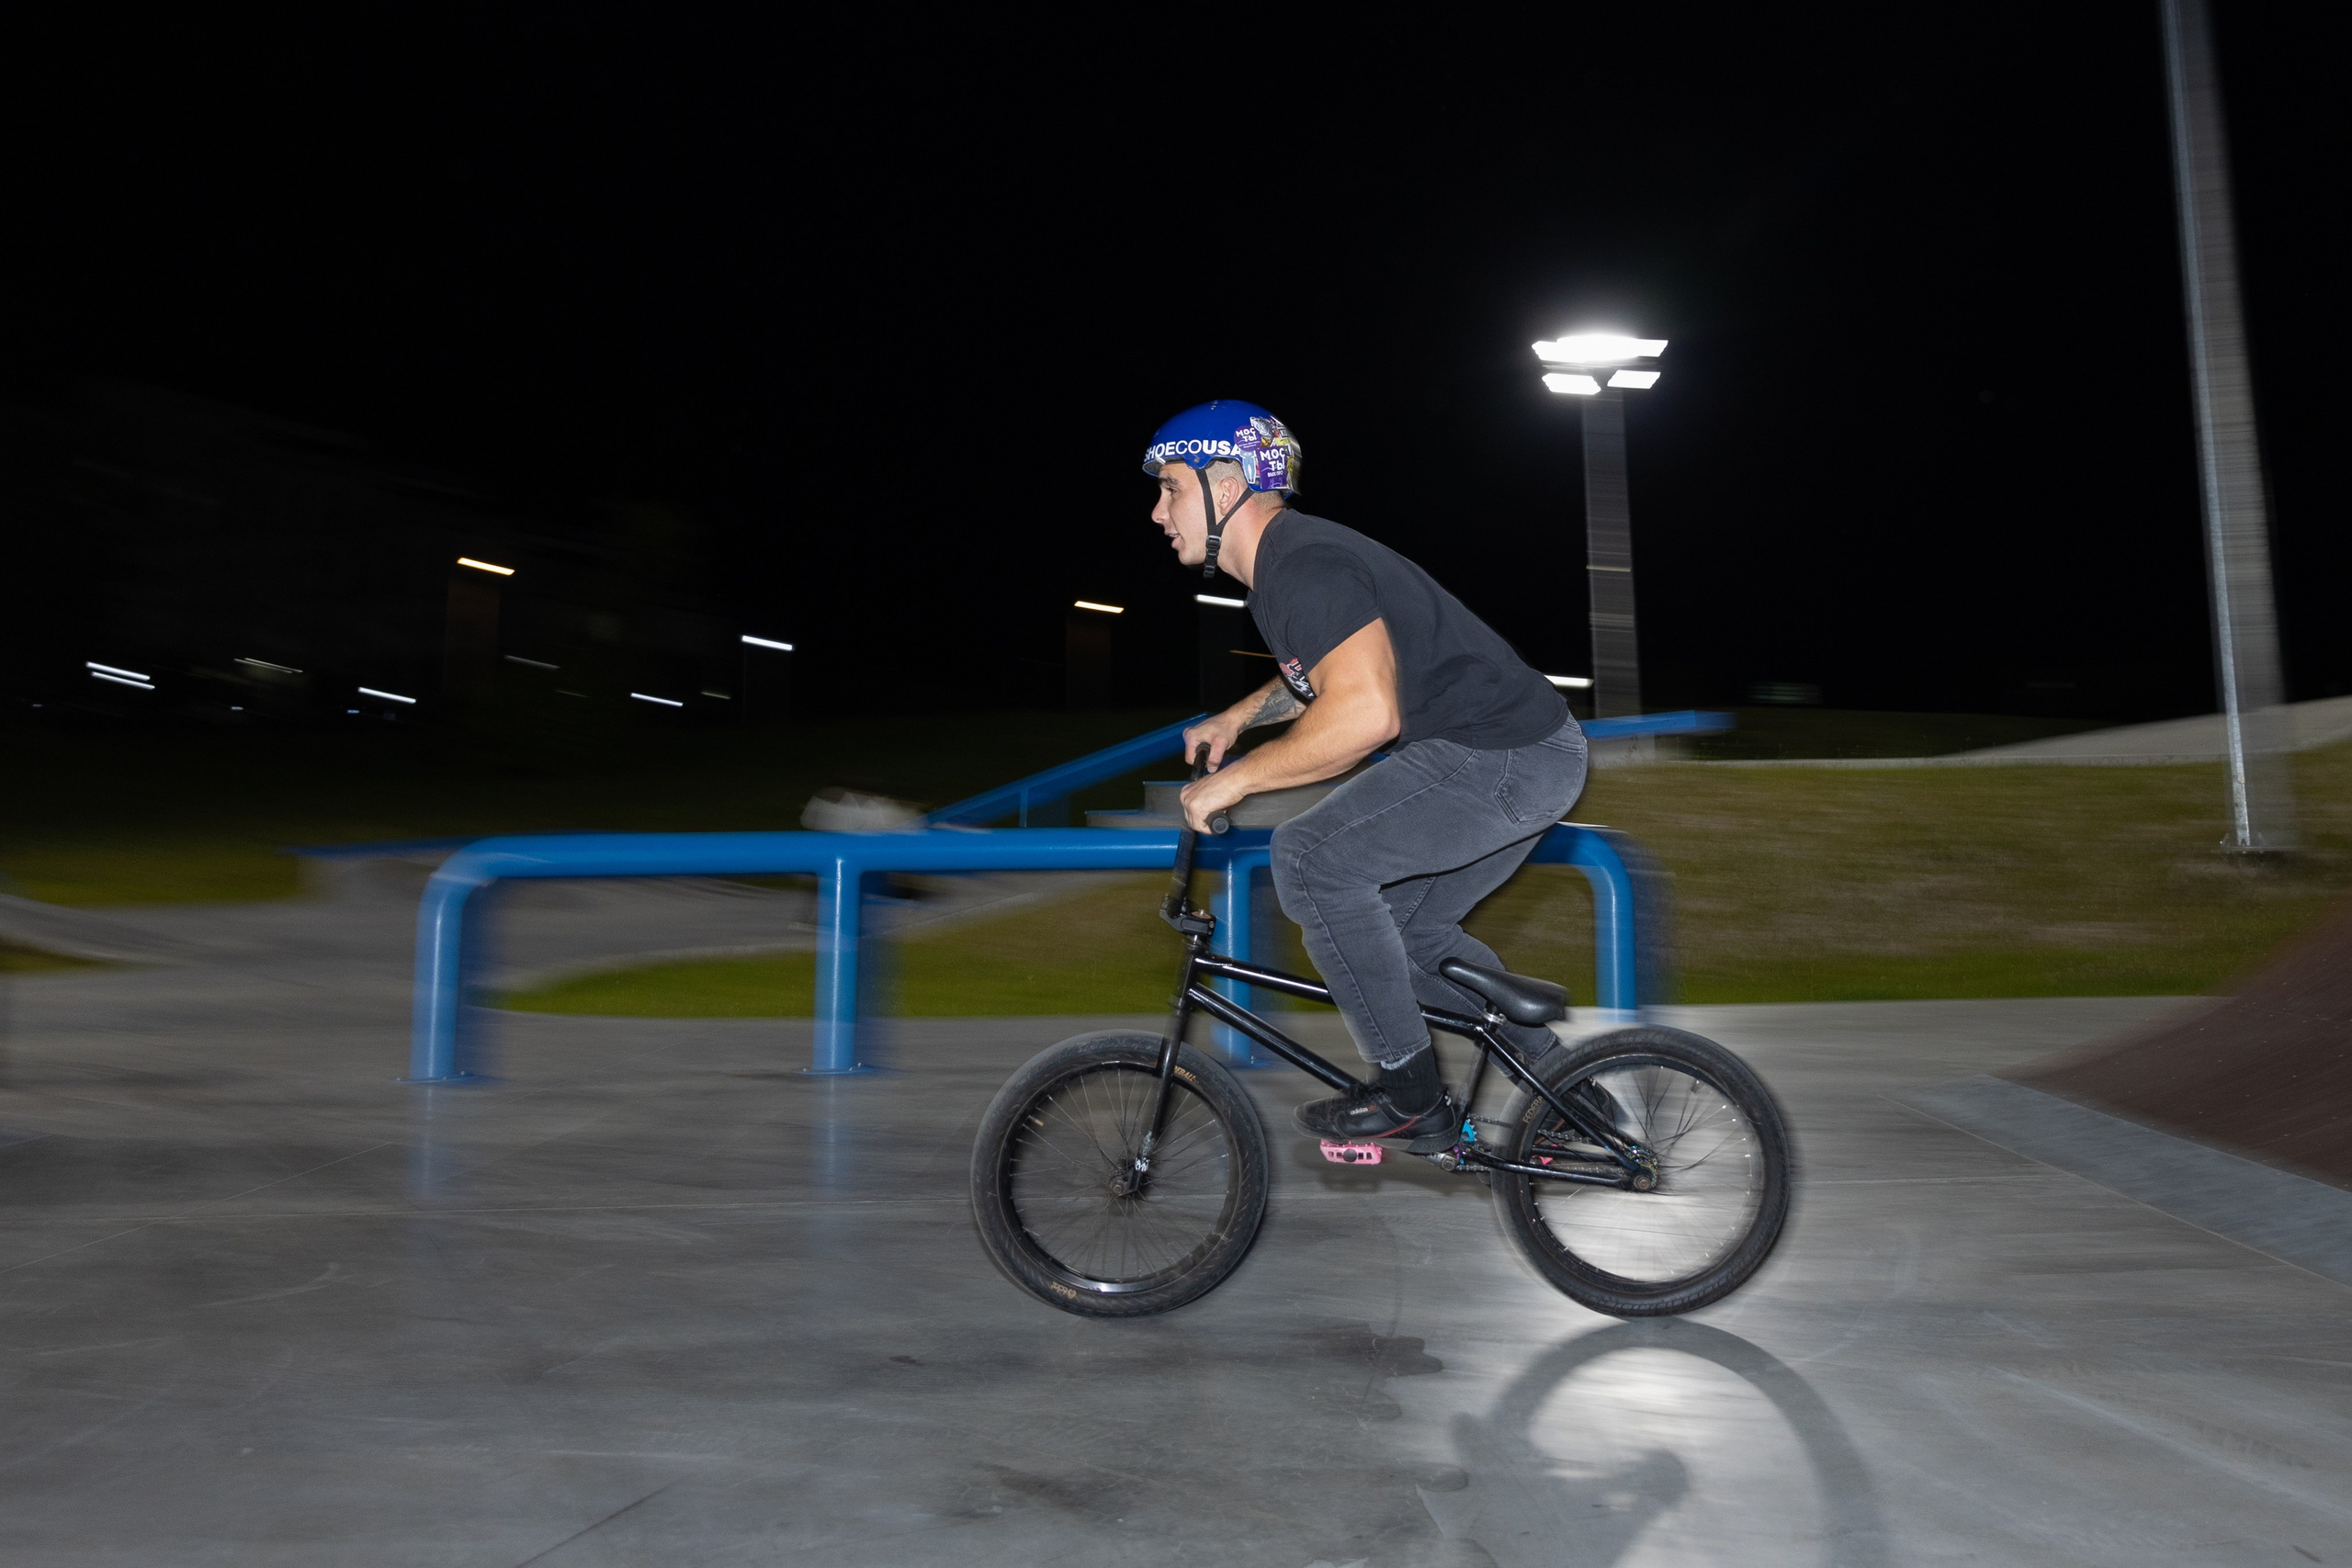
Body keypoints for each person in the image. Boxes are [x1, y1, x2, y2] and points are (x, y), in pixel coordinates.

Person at [1144, 400, 1589, 1144]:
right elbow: (1316, 673)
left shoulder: (1302, 565)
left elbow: (1365, 715)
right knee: (1411, 935)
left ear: (1227, 488)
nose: (1159, 511)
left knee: (1311, 858)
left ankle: (1410, 1090)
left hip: (1502, 758)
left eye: (1171, 489)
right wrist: (1236, 719)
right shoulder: (1286, 566)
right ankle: (1570, 1095)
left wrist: (1238, 778)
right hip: (1525, 753)